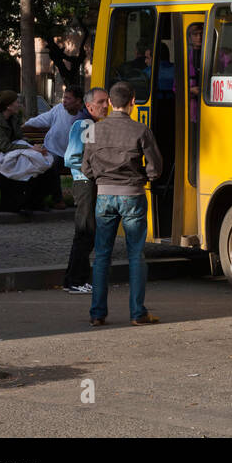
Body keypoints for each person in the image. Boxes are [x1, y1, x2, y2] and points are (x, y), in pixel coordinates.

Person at [83, 81, 162, 326]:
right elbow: (155, 168)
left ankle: (97, 313)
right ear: (133, 101)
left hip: (104, 196)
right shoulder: (141, 130)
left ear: (109, 103)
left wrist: (102, 177)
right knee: (136, 255)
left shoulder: (93, 130)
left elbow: (86, 168)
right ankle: (138, 313)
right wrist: (145, 177)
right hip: (133, 195)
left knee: (102, 255)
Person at [0, 90, 55, 213]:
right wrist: (29, 149)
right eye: (16, 102)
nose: (19, 104)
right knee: (19, 170)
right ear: (8, 106)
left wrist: (33, 145)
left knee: (44, 167)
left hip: (11, 154)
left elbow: (19, 138)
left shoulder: (13, 118)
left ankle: (33, 202)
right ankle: (16, 205)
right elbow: (2, 146)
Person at [61, 87, 109, 293]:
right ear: (89, 106)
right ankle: (77, 281)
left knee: (84, 233)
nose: (106, 106)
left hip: (84, 182)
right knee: (85, 233)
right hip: (85, 183)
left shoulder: (88, 122)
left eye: (107, 101)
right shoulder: (86, 124)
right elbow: (71, 157)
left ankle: (72, 279)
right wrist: (93, 171)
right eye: (101, 102)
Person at [22, 85, 88, 210]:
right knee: (50, 163)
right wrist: (26, 124)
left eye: (68, 98)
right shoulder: (58, 109)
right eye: (64, 97)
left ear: (78, 101)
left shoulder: (84, 117)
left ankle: (84, 200)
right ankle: (56, 200)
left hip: (75, 155)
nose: (64, 101)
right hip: (53, 150)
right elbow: (43, 119)